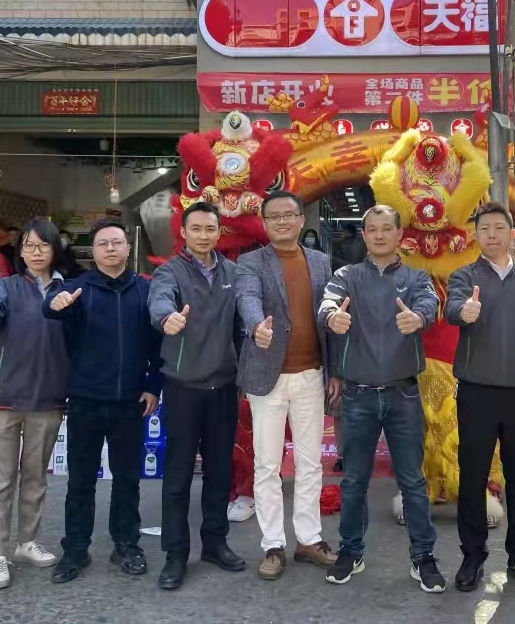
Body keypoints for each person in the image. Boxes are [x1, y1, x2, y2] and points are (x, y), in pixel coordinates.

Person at [318, 205, 444, 592]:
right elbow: (327, 303)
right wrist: (332, 317)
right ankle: (350, 551)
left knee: (412, 481)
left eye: (386, 228)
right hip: (357, 395)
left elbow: (430, 305)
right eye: (371, 229)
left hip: (402, 393)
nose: (378, 235)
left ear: (399, 234)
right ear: (364, 235)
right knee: (354, 480)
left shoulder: (416, 277)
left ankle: (423, 557)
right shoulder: (347, 276)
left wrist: (418, 318)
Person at [444, 202, 515, 593]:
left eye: (498, 228)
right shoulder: (465, 276)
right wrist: (464, 311)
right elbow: (451, 308)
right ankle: (472, 557)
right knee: (473, 477)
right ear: (475, 235)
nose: (491, 235)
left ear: (512, 234)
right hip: (477, 392)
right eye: (484, 229)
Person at [43, 217, 163, 584]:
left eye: (116, 242)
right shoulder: (78, 289)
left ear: (128, 248)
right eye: (102, 244)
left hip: (131, 401)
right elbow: (51, 306)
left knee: (127, 479)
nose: (110, 249)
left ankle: (126, 544)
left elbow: (159, 345)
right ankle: (75, 549)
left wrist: (153, 386)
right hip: (86, 400)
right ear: (93, 252)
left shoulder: (146, 291)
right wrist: (56, 302)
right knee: (81, 481)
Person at [235, 191, 337, 581]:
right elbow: (247, 298)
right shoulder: (250, 263)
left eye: (288, 215)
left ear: (300, 220)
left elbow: (329, 313)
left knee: (311, 462)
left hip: (311, 374)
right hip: (268, 377)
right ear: (264, 223)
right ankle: (273, 544)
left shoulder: (320, 261)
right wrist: (255, 326)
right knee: (267, 464)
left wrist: (336, 371)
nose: (281, 221)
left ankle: (308, 539)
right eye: (273, 216)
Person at [148, 201, 247, 590]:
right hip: (183, 387)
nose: (204, 235)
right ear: (184, 233)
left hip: (222, 386)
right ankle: (175, 554)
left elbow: (244, 319)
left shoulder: (234, 273)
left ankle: (215, 543)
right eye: (197, 229)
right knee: (178, 475)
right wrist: (166, 317)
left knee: (220, 472)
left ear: (219, 232)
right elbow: (159, 300)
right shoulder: (169, 272)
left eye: (210, 229)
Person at [0, 217, 69, 590]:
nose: (36, 252)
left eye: (43, 245)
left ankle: (27, 542)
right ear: (20, 251)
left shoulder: (69, 290)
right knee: (0, 479)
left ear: (54, 249)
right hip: (4, 396)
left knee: (35, 476)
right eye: (29, 246)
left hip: (48, 395)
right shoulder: (6, 285)